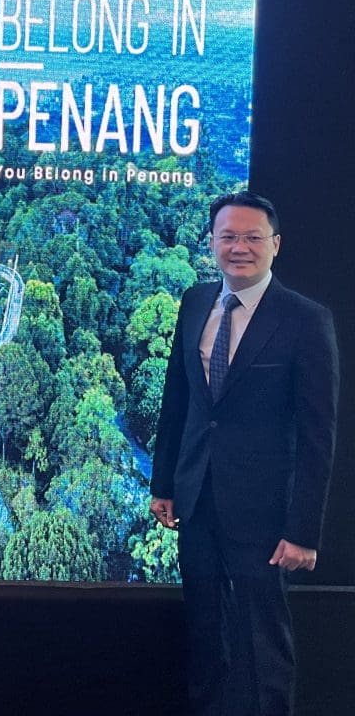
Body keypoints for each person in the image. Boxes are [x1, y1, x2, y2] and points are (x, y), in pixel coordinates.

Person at [150, 190, 339, 716]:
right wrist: (163, 484)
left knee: (263, 644)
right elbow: (179, 400)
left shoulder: (306, 320)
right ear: (211, 242)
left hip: (264, 512)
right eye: (228, 236)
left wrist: (304, 531)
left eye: (252, 237)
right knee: (205, 635)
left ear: (275, 244)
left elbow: (319, 434)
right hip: (196, 501)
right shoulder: (194, 302)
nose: (239, 247)